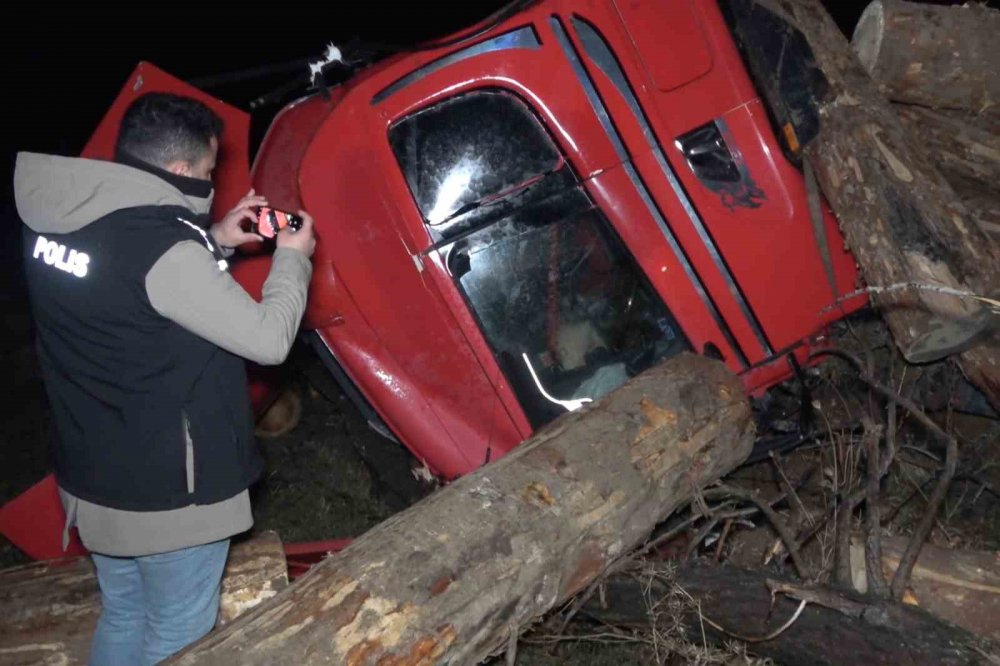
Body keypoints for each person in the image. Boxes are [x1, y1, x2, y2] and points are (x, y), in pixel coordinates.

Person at [13, 91, 316, 665]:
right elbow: (269, 340)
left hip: (93, 476)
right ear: (179, 171)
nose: (209, 180)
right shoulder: (165, 250)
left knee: (125, 615)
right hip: (168, 497)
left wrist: (216, 240)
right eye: (206, 170)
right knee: (177, 634)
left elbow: (128, 290)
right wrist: (292, 257)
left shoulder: (55, 219)